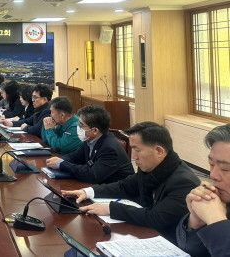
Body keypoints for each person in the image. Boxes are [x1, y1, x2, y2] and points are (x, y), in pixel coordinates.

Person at [62, 121, 200, 244]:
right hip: (147, 234)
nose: (133, 157)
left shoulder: (184, 183)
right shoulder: (151, 167)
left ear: (159, 151)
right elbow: (124, 186)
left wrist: (110, 208)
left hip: (169, 242)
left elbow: (156, 218)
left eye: (136, 149)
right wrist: (87, 192)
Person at [176, 123, 230, 256]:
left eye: (225, 169)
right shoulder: (221, 198)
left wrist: (216, 220)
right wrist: (196, 221)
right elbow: (187, 248)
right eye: (211, 164)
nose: (213, 175)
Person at [45, 104, 132, 181]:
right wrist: (59, 160)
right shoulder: (90, 139)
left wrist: (61, 164)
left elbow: (92, 175)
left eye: (81, 125)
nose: (78, 127)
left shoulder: (110, 148)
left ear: (94, 130)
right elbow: (75, 157)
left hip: (115, 190)